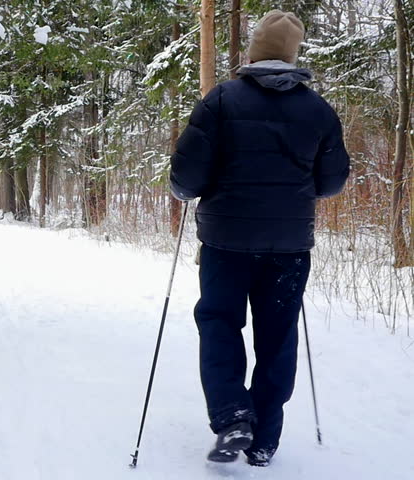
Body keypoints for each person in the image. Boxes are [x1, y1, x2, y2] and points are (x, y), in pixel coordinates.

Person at [169, 10, 350, 466]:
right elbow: (331, 183)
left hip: (225, 243)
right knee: (277, 337)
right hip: (288, 248)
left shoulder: (222, 101)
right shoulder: (318, 110)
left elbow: (186, 179)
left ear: (254, 50)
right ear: (293, 55)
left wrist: (182, 189)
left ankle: (232, 416)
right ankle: (264, 438)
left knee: (218, 323)